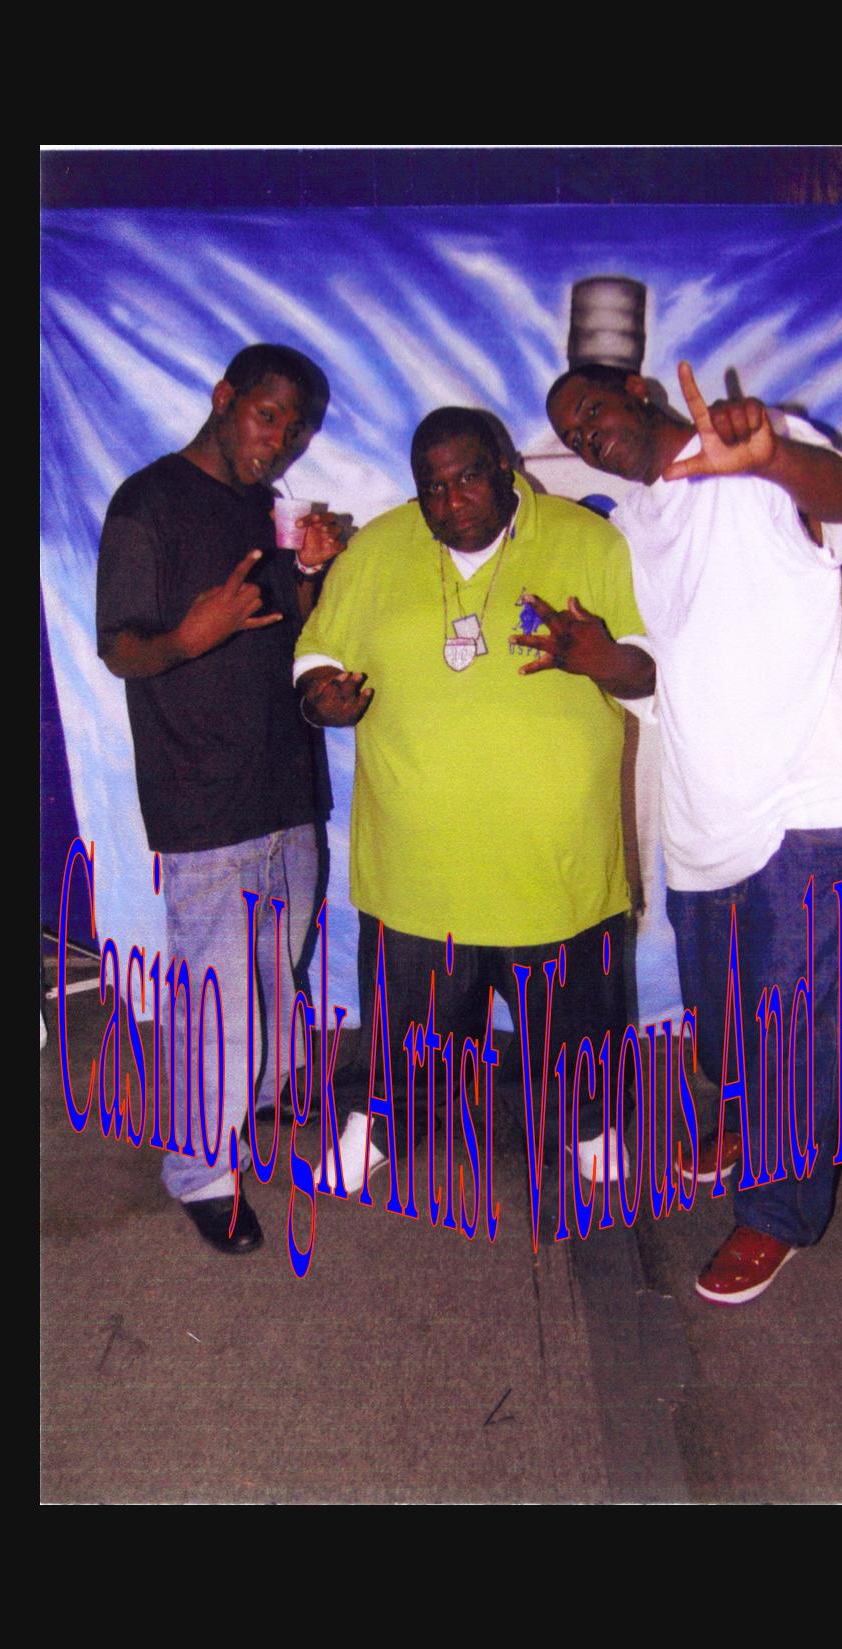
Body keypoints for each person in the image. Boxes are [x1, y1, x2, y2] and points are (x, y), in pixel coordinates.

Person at [546, 359, 842, 1304]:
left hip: (809, 795)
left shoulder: (752, 455)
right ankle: (755, 1117)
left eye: (591, 409)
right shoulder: (638, 526)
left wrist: (771, 458)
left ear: (639, 389)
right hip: (707, 808)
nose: (586, 435)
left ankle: (778, 1214)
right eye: (571, 434)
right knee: (724, 1019)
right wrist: (602, 661)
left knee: (793, 1024)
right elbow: (663, 673)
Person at [293, 407, 653, 1200]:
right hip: (417, 859)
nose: (451, 501)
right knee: (408, 1024)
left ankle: (589, 1123)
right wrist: (321, 695)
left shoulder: (588, 543)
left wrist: (601, 659)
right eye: (432, 487)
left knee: (574, 1016)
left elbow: (650, 668)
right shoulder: (377, 549)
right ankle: (378, 1123)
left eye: (467, 478)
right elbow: (316, 651)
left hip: (553, 857)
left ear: (505, 467)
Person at [96, 344, 346, 1255]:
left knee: (278, 969)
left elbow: (277, 630)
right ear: (223, 397)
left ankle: (263, 1094)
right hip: (203, 794)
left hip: (284, 781)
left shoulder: (256, 507)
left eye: (296, 430)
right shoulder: (148, 501)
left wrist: (309, 574)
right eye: (267, 415)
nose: (279, 440)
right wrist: (186, 637)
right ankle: (201, 1170)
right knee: (218, 1000)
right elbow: (120, 647)